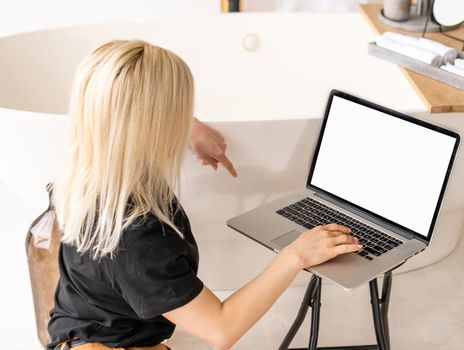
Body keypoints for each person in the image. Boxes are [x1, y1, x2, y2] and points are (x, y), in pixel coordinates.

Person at [48, 40, 362, 350]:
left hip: (83, 324)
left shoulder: (85, 171)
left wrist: (190, 128)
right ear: (154, 124)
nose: (187, 115)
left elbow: (119, 112)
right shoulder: (137, 240)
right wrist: (295, 256)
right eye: (182, 111)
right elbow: (221, 328)